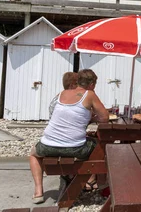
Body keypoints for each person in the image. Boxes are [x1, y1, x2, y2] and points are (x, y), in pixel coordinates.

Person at [29, 69, 109, 204]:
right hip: (75, 148)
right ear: (92, 84)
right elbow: (105, 117)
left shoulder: (62, 94)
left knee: (33, 154)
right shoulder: (89, 94)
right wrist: (93, 118)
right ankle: (98, 183)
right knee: (100, 146)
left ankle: (38, 192)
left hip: (47, 145)